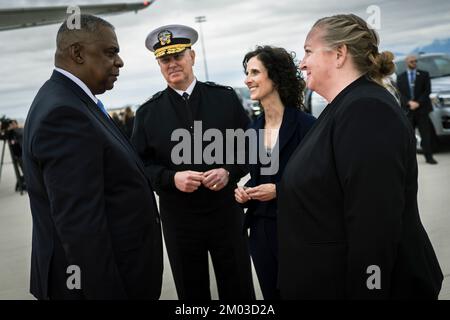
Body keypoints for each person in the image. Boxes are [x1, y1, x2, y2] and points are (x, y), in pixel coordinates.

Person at [278, 14, 443, 299]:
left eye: (307, 51)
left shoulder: (365, 109)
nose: (302, 63)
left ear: (339, 53)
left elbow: (374, 226)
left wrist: (369, 291)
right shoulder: (342, 106)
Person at [22, 14, 163, 300]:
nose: (119, 62)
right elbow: (81, 230)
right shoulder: (64, 115)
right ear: (77, 53)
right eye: (111, 52)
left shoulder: (72, 102)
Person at [132, 24, 254, 300]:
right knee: (191, 292)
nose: (172, 64)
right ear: (159, 64)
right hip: (180, 219)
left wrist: (229, 171)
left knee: (238, 288)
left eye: (178, 56)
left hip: (226, 210)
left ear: (192, 57)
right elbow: (140, 168)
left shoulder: (224, 98)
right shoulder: (148, 114)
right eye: (165, 59)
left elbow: (250, 146)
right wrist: (170, 178)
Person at [235, 46, 315, 300]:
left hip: (298, 232)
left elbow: (321, 182)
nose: (248, 79)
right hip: (261, 233)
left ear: (276, 77)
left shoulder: (307, 126)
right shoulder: (253, 129)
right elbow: (259, 176)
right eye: (247, 72)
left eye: (255, 72)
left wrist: (279, 190)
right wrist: (244, 192)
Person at [397, 54, 437, 164]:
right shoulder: (400, 77)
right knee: (409, 137)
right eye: (412, 61)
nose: (414, 63)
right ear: (407, 62)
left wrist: (418, 103)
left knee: (425, 135)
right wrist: (409, 102)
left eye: (415, 61)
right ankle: (410, 161)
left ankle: (429, 157)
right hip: (408, 111)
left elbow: (427, 91)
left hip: (422, 110)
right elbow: (399, 93)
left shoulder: (424, 75)